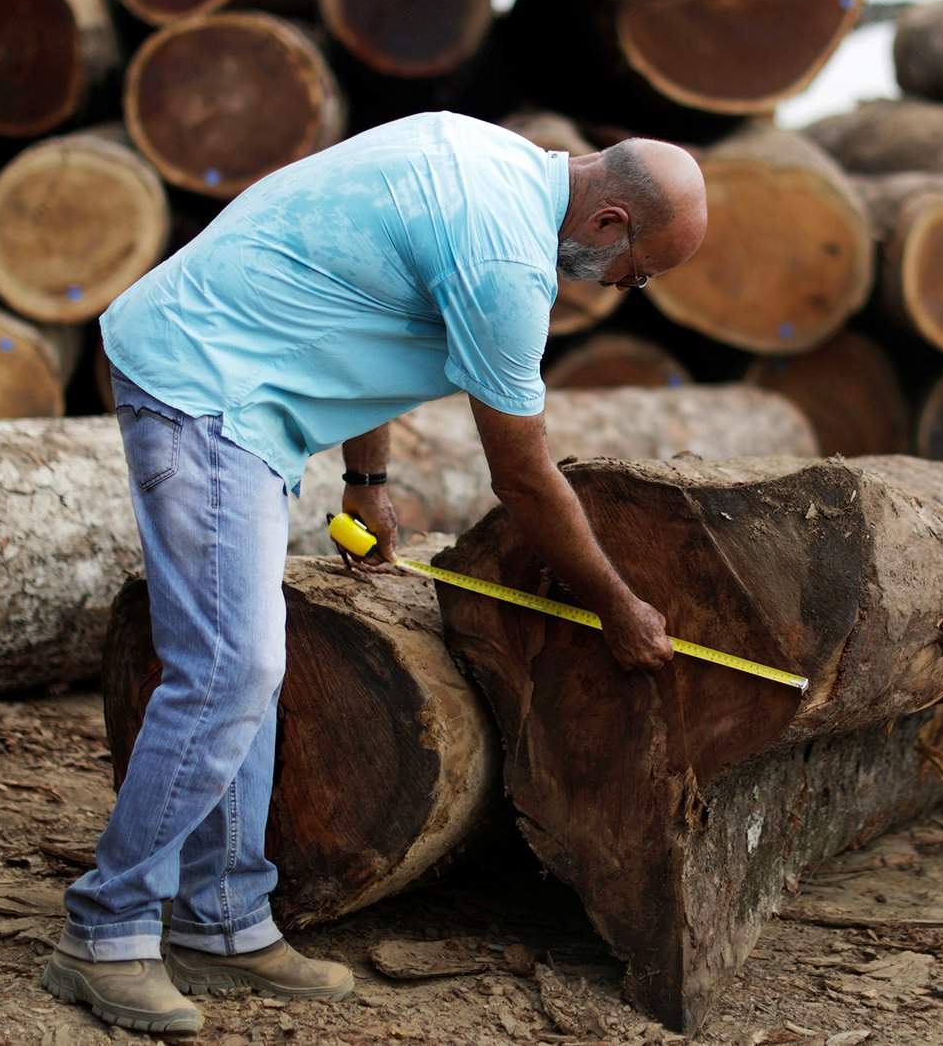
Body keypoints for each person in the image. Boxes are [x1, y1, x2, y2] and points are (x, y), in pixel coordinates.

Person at [41, 110, 709, 1036]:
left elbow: (363, 306)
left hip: (243, 389)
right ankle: (105, 932)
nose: (629, 288)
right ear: (610, 224)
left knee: (251, 660)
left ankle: (223, 919)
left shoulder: (478, 151)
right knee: (229, 668)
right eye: (642, 270)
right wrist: (618, 604)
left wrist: (367, 479)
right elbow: (521, 474)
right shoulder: (507, 265)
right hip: (207, 385)